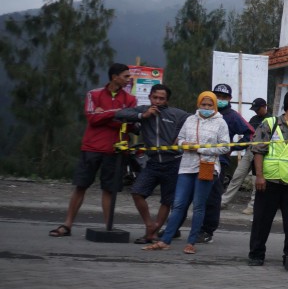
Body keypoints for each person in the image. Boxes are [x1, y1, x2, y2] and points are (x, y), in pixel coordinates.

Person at [51, 62, 136, 237]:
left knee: (109, 190)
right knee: (81, 186)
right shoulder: (93, 94)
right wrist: (117, 113)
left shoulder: (131, 99)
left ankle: (108, 228)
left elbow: (128, 124)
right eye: (126, 76)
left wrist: (104, 113)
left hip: (115, 150)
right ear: (115, 77)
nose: (129, 79)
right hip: (92, 147)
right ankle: (67, 225)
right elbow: (92, 118)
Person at [144, 91, 232, 253]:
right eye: (203, 104)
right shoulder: (190, 119)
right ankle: (165, 241)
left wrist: (200, 149)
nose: (206, 107)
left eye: (210, 105)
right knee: (178, 204)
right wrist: (185, 144)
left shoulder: (221, 123)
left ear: (214, 106)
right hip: (186, 166)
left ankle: (191, 242)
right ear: (198, 104)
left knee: (198, 206)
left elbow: (225, 147)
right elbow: (180, 140)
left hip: (207, 166)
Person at [246, 90, 288, 267]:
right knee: (262, 220)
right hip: (269, 181)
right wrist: (259, 176)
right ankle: (256, 254)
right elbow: (258, 151)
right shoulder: (270, 123)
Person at [117, 84, 188, 244]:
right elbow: (120, 114)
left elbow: (194, 119)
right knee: (137, 192)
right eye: (155, 97)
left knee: (167, 201)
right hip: (152, 163)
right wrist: (143, 115)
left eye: (162, 98)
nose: (157, 101)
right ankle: (150, 226)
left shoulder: (176, 113)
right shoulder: (143, 110)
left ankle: (153, 233)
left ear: (167, 100)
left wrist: (182, 135)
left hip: (173, 163)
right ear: (149, 97)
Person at [200, 83, 252, 243]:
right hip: (197, 160)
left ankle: (207, 230)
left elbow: (251, 134)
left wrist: (233, 147)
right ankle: (176, 228)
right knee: (190, 195)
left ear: (230, 98)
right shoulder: (202, 113)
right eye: (218, 96)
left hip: (217, 161)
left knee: (212, 196)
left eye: (224, 97)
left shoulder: (232, 116)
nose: (220, 99)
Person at [225, 96, 271, 212]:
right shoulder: (253, 119)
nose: (256, 111)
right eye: (254, 109)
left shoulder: (271, 120)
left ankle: (252, 206)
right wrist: (234, 147)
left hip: (262, 153)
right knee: (237, 176)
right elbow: (248, 136)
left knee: (256, 180)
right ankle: (223, 201)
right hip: (250, 150)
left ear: (264, 107)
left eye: (258, 109)